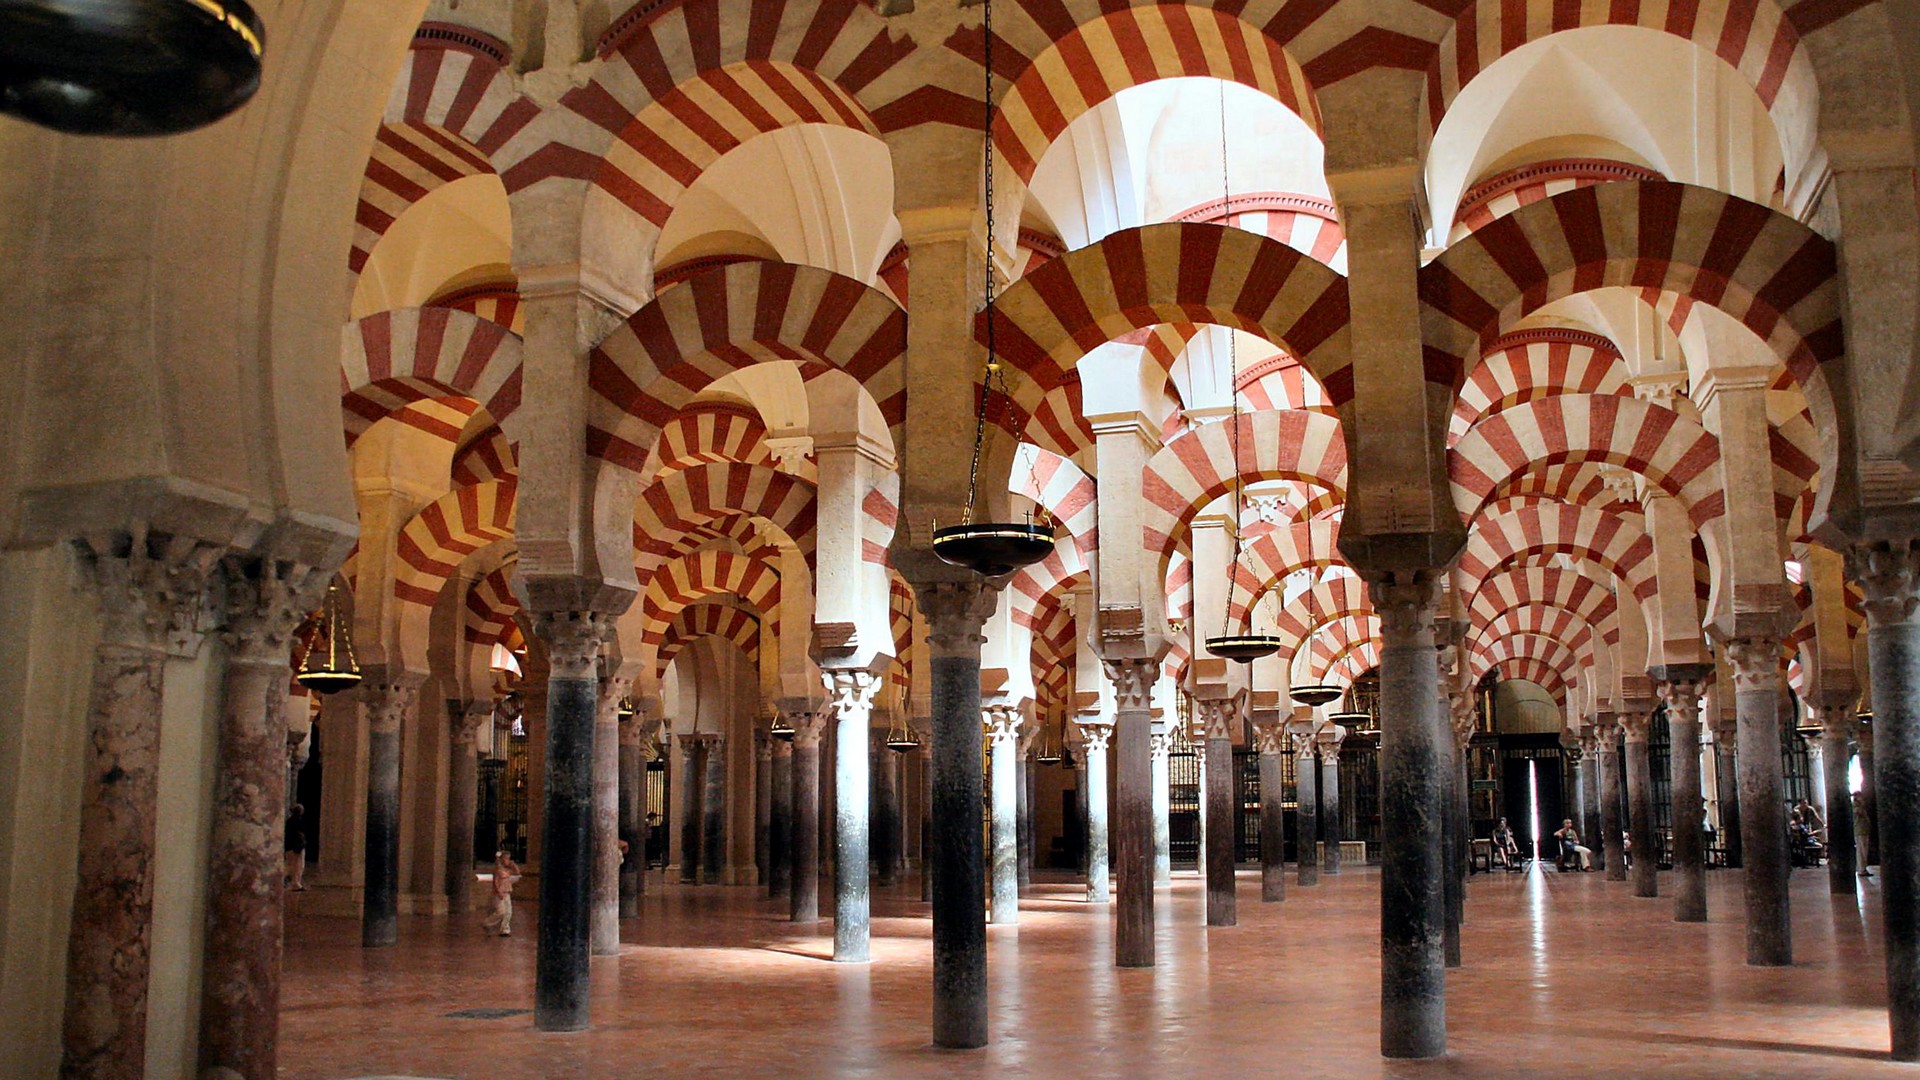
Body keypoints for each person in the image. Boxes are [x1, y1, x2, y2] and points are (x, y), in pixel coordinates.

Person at [483, 850, 520, 936]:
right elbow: (495, 881)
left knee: (508, 912)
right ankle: (487, 923)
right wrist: (498, 891)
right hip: (500, 893)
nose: (508, 860)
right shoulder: (498, 869)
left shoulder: (507, 870)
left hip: (507, 892)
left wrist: (513, 864)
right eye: (506, 858)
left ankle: (505, 930)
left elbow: (517, 872)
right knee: (501, 912)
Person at [283, 804, 308, 892]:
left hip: (290, 846)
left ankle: (291, 883)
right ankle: (295, 884)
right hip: (296, 847)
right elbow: (299, 835)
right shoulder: (297, 821)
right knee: (297, 866)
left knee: (290, 865)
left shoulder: (290, 821)